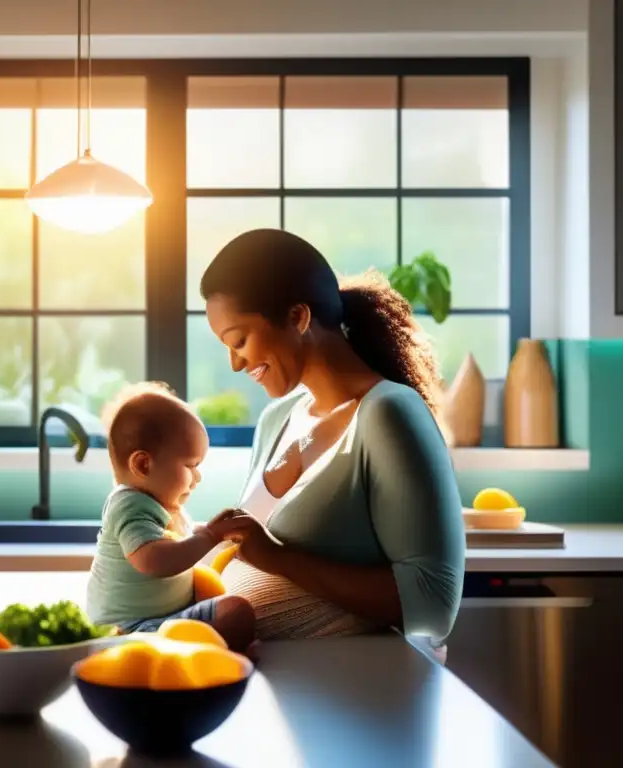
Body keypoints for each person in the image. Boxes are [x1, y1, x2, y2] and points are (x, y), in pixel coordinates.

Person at [199, 228, 465, 647]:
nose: (235, 364)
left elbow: (433, 602)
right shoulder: (277, 419)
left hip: (354, 691)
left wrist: (279, 559)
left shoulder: (388, 412)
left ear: (298, 317)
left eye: (240, 341)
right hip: (273, 686)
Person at [85, 382, 257, 652]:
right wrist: (211, 536)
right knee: (236, 613)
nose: (197, 477)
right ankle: (198, 653)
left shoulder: (162, 505)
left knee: (236, 610)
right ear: (143, 464)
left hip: (163, 619)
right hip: (131, 628)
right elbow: (155, 560)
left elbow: (179, 540)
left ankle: (201, 649)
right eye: (190, 465)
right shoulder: (129, 504)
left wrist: (221, 534)